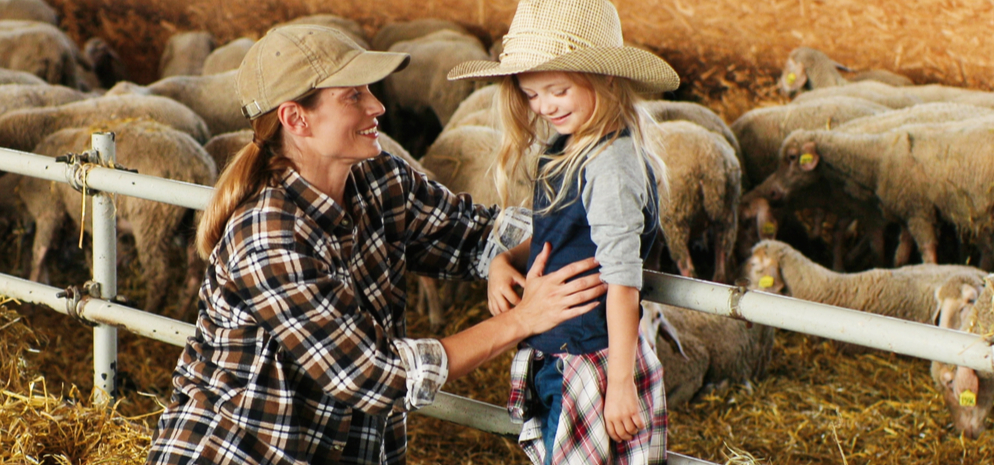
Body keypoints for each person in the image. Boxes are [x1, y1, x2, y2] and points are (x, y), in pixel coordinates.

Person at [146, 24, 608, 465]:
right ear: (295, 118)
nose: (378, 106)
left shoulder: (376, 177)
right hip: (242, 451)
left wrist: (516, 251)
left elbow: (471, 230)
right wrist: (523, 319)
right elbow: (374, 376)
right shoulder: (269, 238)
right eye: (354, 95)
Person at [447, 0, 683, 463]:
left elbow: (622, 283)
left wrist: (619, 384)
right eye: (531, 94)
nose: (544, 106)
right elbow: (557, 235)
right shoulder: (568, 145)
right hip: (557, 356)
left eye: (557, 90)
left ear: (606, 78)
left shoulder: (611, 164)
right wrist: (503, 262)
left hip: (591, 364)